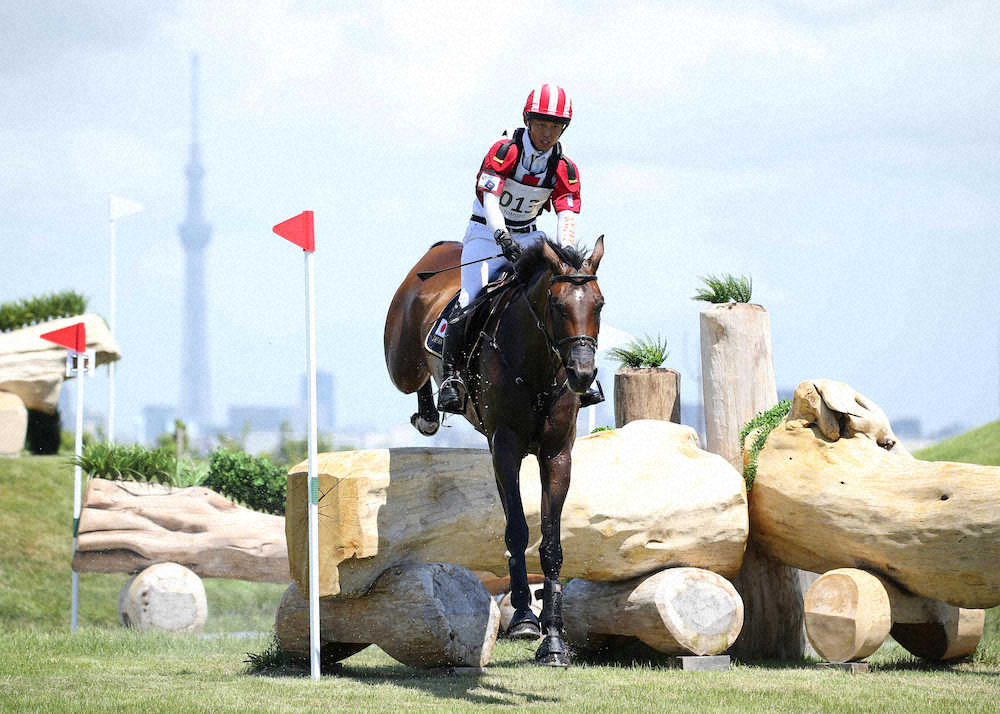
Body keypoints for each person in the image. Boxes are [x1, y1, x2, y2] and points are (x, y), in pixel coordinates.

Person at [438, 83, 603, 413]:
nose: (547, 133)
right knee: (471, 298)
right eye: (542, 124)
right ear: (528, 122)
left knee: (560, 300)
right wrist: (501, 237)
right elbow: (490, 198)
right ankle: (451, 379)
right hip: (486, 232)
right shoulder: (505, 151)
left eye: (555, 127)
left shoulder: (564, 168)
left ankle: (578, 378)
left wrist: (565, 259)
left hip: (529, 236)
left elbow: (567, 214)